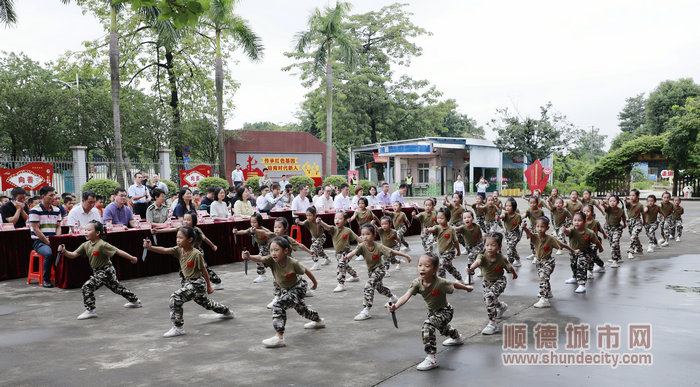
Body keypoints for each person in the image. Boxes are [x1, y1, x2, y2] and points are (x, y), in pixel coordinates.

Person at [388, 254, 473, 371]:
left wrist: (467, 288)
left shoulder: (440, 282)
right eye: (420, 265)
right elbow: (406, 296)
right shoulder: (417, 283)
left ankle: (431, 358)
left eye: (427, 266)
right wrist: (395, 306)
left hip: (445, 311)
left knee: (428, 325)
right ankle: (457, 337)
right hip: (433, 313)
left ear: (435, 269)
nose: (422, 268)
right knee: (443, 328)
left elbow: (454, 284)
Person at [144, 226, 233, 337]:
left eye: (181, 238)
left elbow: (204, 270)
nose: (178, 240)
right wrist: (150, 247)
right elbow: (164, 250)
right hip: (188, 284)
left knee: (176, 297)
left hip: (197, 284)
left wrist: (209, 286)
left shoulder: (196, 254)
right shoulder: (179, 250)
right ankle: (226, 311)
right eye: (177, 237)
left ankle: (178, 327)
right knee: (207, 304)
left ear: (190, 240)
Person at [243, 237, 325, 348]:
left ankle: (279, 337)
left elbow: (307, 271)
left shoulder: (293, 262)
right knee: (302, 310)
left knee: (278, 305)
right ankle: (319, 321)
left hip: (298, 288)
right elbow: (261, 258)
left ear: (285, 251)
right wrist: (250, 257)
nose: (273, 253)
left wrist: (315, 284)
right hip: (286, 289)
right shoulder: (272, 260)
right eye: (271, 250)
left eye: (276, 250)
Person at [57, 221, 142, 319]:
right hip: (97, 271)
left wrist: (132, 258)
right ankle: (135, 301)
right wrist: (64, 251)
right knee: (117, 288)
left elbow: (118, 251)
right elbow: (73, 255)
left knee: (87, 287)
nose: (85, 232)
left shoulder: (102, 244)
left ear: (97, 233)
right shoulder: (85, 245)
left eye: (88, 230)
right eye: (85, 230)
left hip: (106, 271)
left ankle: (90, 310)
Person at [343, 224, 410, 321]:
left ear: (374, 235)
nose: (365, 236)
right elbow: (353, 253)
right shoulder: (361, 246)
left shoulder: (379, 247)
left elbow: (392, 252)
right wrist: (346, 257)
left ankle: (366, 311)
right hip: (371, 271)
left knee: (369, 285)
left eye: (368, 234)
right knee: (379, 288)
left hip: (380, 270)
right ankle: (393, 297)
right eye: (362, 234)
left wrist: (406, 256)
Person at [466, 232, 517, 335]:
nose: (490, 248)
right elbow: (478, 262)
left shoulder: (501, 258)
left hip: (500, 281)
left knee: (489, 297)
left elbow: (509, 266)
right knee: (490, 299)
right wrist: (471, 268)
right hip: (487, 283)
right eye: (487, 245)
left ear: (499, 246)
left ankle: (492, 324)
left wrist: (514, 273)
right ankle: (501, 306)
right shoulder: (482, 256)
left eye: (493, 245)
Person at [522, 216, 571, 308]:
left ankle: (544, 299)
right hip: (539, 262)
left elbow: (562, 244)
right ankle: (548, 292)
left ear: (547, 228)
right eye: (538, 226)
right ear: (535, 227)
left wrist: (573, 250)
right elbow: (529, 234)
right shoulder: (535, 237)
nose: (540, 229)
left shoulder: (550, 238)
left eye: (542, 227)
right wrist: (524, 228)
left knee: (543, 277)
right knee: (544, 278)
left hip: (548, 262)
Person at [28, 186, 63, 288]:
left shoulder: (57, 210)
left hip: (53, 240)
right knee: (49, 253)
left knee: (67, 251)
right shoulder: (35, 210)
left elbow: (58, 226)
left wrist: (57, 239)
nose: (53, 198)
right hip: (39, 242)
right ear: (43, 196)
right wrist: (48, 242)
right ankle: (46, 279)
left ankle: (61, 277)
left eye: (54, 195)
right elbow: (36, 229)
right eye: (51, 195)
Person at [561, 212, 603, 294]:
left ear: (584, 222)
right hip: (573, 251)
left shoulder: (589, 232)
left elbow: (597, 241)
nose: (576, 222)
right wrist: (565, 230)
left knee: (581, 266)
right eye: (575, 220)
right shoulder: (572, 229)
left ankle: (582, 284)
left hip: (585, 251)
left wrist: (600, 248)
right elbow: (568, 232)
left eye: (579, 220)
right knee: (573, 265)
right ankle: (575, 277)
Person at [318, 212, 360, 292]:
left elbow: (357, 238)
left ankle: (341, 284)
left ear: (345, 221)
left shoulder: (348, 230)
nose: (337, 220)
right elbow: (327, 227)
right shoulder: (333, 229)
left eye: (340, 218)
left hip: (347, 252)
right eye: (335, 218)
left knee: (341, 266)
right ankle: (355, 276)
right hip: (337, 254)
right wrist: (321, 222)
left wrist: (366, 243)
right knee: (345, 265)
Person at [424, 208, 463, 283]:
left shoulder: (451, 229)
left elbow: (456, 242)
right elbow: (431, 229)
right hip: (442, 253)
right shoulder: (437, 227)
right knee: (449, 267)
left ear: (447, 218)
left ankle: (443, 283)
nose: (439, 220)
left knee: (441, 265)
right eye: (438, 218)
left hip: (450, 252)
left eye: (442, 218)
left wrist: (458, 251)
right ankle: (460, 278)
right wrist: (427, 230)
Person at [233, 213, 271, 283]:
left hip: (268, 245)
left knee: (259, 259)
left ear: (259, 222)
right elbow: (244, 231)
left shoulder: (264, 230)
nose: (252, 224)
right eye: (251, 222)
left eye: (255, 222)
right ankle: (263, 275)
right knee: (264, 260)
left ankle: (262, 276)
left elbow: (272, 235)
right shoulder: (251, 229)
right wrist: (237, 232)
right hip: (261, 245)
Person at [596, 194, 626, 268]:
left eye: (614, 201)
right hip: (609, 228)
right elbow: (605, 206)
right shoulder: (608, 208)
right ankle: (618, 257)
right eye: (610, 201)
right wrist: (602, 204)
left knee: (614, 243)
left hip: (617, 228)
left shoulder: (621, 210)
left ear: (618, 202)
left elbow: (623, 217)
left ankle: (615, 260)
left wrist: (624, 224)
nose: (612, 202)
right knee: (612, 243)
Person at [296, 206, 331, 270]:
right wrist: (298, 222)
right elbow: (302, 223)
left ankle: (316, 263)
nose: (308, 217)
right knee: (320, 251)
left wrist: (320, 222)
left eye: (310, 215)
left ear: (314, 215)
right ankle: (327, 258)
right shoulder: (308, 221)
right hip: (314, 238)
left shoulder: (319, 220)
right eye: (307, 215)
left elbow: (327, 227)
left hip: (321, 237)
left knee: (313, 248)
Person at [455, 212, 483, 283]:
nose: (467, 219)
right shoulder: (462, 228)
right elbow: (455, 228)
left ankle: (470, 277)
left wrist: (483, 246)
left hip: (478, 245)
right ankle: (482, 269)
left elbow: (480, 236)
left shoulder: (477, 226)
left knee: (471, 257)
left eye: (469, 217)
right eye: (464, 218)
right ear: (462, 221)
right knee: (475, 260)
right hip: (469, 247)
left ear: (473, 218)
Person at [498, 197, 522, 267]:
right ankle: (518, 260)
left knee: (510, 248)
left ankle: (509, 264)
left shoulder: (518, 216)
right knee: (512, 248)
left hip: (515, 234)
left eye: (509, 206)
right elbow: (502, 216)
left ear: (514, 207)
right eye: (506, 206)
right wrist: (499, 217)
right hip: (508, 234)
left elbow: (522, 225)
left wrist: (527, 232)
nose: (507, 207)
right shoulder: (505, 214)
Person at [624, 189, 645, 259]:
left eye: (633, 195)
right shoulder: (629, 204)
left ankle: (630, 251)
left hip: (638, 222)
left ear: (637, 196)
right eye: (630, 195)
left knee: (634, 235)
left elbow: (643, 214)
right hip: (630, 222)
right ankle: (639, 248)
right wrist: (625, 200)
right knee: (634, 237)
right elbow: (626, 204)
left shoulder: (640, 205)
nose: (631, 197)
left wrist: (644, 221)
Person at [523, 196, 545, 261]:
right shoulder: (528, 210)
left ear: (537, 203)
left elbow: (544, 219)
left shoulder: (541, 211)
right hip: (532, 228)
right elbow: (524, 215)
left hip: (539, 229)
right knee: (532, 242)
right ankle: (533, 253)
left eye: (534, 203)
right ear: (529, 203)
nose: (532, 204)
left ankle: (537, 256)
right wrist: (521, 217)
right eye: (531, 203)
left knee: (538, 242)